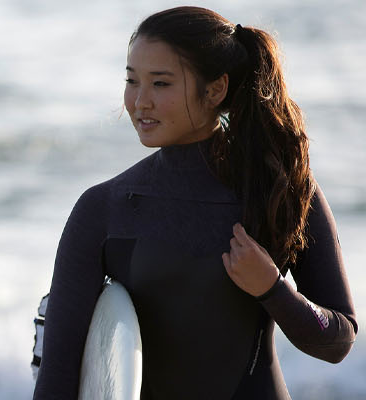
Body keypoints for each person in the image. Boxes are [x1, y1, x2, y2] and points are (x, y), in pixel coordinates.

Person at [34, 6, 356, 398]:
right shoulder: (104, 208)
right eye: (132, 81)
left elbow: (337, 341)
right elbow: (58, 378)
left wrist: (273, 288)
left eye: (161, 84)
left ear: (215, 89)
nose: (139, 102)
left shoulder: (278, 191)